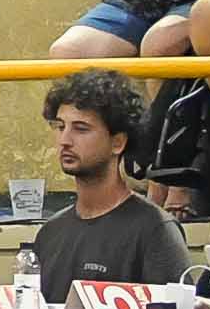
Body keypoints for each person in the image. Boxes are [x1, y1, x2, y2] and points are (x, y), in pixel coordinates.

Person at [28, 69, 187, 297]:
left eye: (81, 129)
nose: (65, 140)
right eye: (60, 127)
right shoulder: (50, 233)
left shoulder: (155, 230)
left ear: (118, 143)